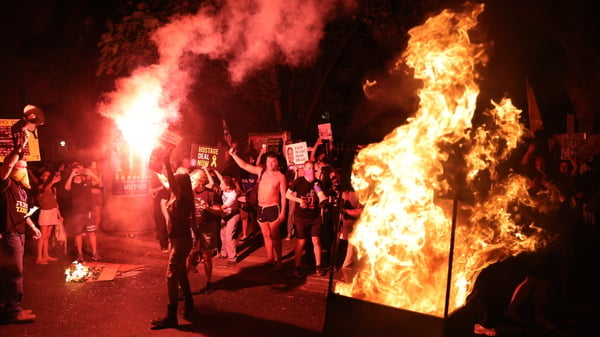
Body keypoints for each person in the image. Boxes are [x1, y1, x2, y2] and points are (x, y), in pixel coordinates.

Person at [151, 147, 196, 329]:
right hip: (178, 239)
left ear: (180, 184)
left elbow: (170, 181)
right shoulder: (180, 195)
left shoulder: (182, 197)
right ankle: (190, 304)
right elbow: (165, 180)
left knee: (171, 276)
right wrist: (156, 167)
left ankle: (171, 315)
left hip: (181, 240)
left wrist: (167, 162)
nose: (172, 181)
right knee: (181, 274)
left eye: (176, 179)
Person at [0, 127, 41, 324]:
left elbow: (22, 212)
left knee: (12, 272)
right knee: (14, 273)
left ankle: (7, 305)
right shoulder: (6, 184)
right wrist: (18, 150)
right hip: (8, 234)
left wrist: (32, 227)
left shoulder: (21, 190)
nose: (25, 169)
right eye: (22, 166)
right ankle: (14, 311)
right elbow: (6, 167)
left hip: (19, 233)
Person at [229, 147, 287, 271]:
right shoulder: (261, 171)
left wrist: (283, 212)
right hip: (261, 208)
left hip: (273, 208)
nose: (271, 164)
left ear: (277, 162)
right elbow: (244, 165)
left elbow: (283, 196)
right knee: (266, 235)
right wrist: (233, 155)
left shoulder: (280, 176)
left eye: (273, 162)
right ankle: (270, 258)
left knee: (275, 236)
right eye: (268, 161)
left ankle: (279, 261)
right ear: (265, 161)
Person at [286, 160, 328, 278]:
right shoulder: (298, 181)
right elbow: (287, 195)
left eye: (312, 168)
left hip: (315, 217)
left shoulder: (318, 182)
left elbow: (322, 198)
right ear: (304, 169)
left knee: (316, 241)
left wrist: (323, 203)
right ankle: (297, 267)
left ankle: (319, 266)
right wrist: (300, 201)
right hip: (301, 217)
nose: (311, 170)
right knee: (301, 242)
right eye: (308, 168)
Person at [187, 167, 222, 293]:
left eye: (192, 180)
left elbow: (219, 211)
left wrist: (208, 208)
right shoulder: (189, 193)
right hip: (192, 226)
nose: (190, 183)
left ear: (200, 181)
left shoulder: (210, 194)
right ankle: (183, 287)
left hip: (207, 226)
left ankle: (208, 283)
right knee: (189, 254)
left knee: (207, 256)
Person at [64, 163, 101, 261]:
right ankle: (79, 254)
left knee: (91, 232)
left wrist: (91, 174)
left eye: (79, 169)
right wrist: (72, 175)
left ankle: (94, 252)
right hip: (77, 212)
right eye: (76, 170)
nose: (78, 172)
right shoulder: (72, 183)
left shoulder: (87, 181)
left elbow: (98, 182)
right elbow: (66, 188)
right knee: (78, 233)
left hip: (88, 211)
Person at [35, 169, 63, 264]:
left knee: (47, 236)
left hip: (53, 211)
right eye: (45, 175)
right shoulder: (40, 187)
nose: (47, 177)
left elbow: (56, 202)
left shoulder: (53, 188)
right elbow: (45, 190)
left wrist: (59, 215)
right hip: (45, 212)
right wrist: (52, 181)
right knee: (42, 236)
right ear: (41, 177)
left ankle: (46, 255)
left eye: (49, 176)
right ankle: (39, 258)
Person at [213, 169, 240, 267]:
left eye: (222, 185)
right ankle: (224, 253)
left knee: (229, 237)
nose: (220, 186)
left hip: (233, 215)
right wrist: (215, 170)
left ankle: (232, 258)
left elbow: (222, 207)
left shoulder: (233, 196)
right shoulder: (227, 187)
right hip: (225, 215)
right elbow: (221, 178)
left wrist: (208, 207)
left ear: (227, 186)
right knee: (223, 236)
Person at [149, 165, 170, 253]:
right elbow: (150, 191)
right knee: (162, 225)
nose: (167, 170)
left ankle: (169, 244)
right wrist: (161, 187)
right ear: (161, 170)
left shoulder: (170, 179)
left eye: (168, 168)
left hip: (168, 204)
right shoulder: (157, 179)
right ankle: (164, 246)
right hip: (158, 205)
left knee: (168, 224)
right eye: (165, 169)